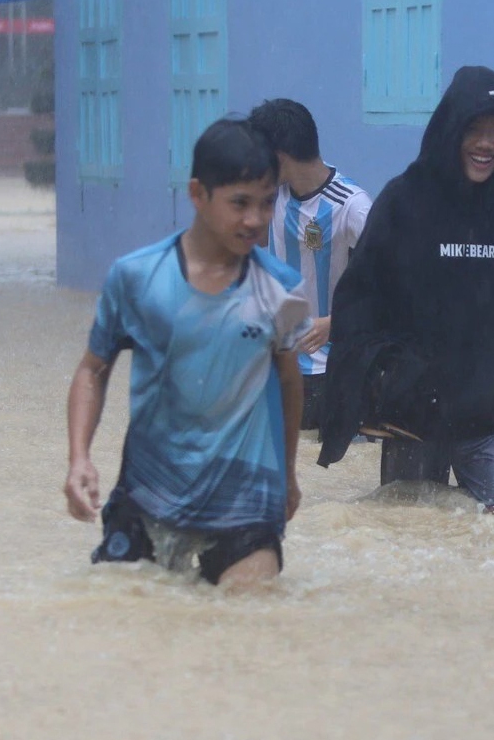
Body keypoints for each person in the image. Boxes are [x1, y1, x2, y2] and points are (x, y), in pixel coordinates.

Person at [64, 118, 312, 587]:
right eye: (240, 203)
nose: (255, 220)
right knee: (126, 616)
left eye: (266, 203)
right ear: (198, 194)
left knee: (250, 619)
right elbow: (93, 371)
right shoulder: (136, 279)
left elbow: (288, 379)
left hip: (247, 498)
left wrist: (289, 473)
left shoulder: (281, 289)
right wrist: (80, 457)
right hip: (149, 492)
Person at [317, 66, 494, 517]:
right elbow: (358, 297)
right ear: (449, 130)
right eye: (473, 129)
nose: (485, 144)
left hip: (489, 414)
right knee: (407, 524)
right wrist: (368, 384)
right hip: (412, 414)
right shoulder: (403, 200)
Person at [248, 98, 373, 432]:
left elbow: (393, 283)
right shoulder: (271, 194)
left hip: (327, 372)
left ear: (279, 157)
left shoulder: (352, 207)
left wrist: (337, 323)